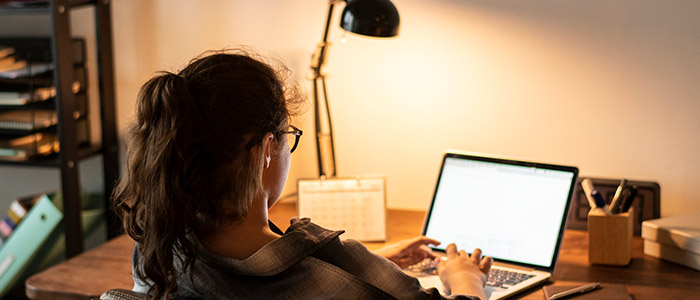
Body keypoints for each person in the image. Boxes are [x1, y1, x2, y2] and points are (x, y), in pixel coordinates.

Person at [113, 49, 492, 300]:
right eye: (287, 138)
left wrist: (374, 261)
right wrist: (465, 278)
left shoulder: (157, 253)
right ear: (264, 151)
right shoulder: (340, 280)